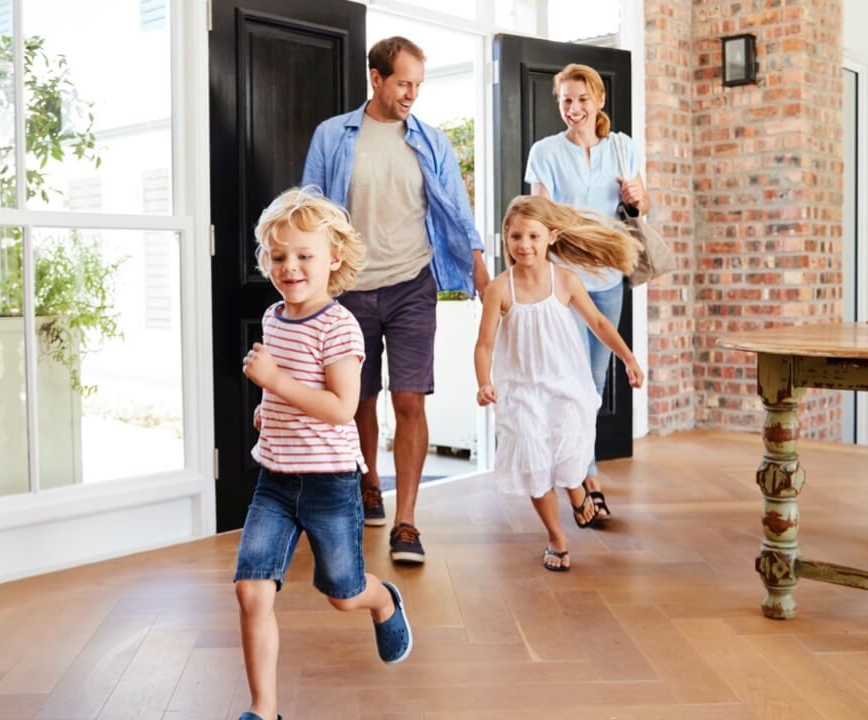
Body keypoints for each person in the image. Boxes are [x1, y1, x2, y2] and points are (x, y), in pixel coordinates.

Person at [302, 36, 488, 564]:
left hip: (411, 283)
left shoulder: (431, 141)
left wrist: (479, 269)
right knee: (358, 400)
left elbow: (456, 208)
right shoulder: (333, 136)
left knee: (409, 399)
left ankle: (406, 522)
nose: (411, 94)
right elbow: (310, 209)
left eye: (418, 85)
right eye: (403, 83)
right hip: (349, 290)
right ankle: (368, 483)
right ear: (376, 77)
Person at [235, 187, 413, 720]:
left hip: (330, 483)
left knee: (342, 593)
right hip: (275, 479)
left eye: (303, 255)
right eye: (278, 255)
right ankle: (263, 711)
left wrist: (274, 382)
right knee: (250, 590)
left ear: (333, 258)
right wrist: (268, 408)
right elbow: (287, 390)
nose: (289, 267)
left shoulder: (339, 326)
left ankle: (382, 601)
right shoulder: (273, 317)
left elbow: (340, 407)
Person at [474, 195, 644, 571]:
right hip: (520, 391)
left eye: (533, 236)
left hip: (565, 384)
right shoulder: (500, 290)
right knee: (535, 467)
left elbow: (599, 323)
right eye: (516, 236)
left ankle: (578, 489)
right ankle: (557, 538)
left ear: (551, 237)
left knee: (569, 449)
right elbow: (484, 344)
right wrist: (484, 382)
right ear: (506, 237)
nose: (524, 245)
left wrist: (628, 357)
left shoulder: (564, 280)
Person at [524, 62, 650, 522]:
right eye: (565, 101)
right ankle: (586, 476)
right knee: (569, 382)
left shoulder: (623, 147)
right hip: (565, 281)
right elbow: (539, 215)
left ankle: (578, 469)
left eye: (581, 100)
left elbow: (642, 205)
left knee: (593, 385)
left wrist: (637, 195)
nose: (573, 109)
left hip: (610, 279)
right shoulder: (545, 151)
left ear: (598, 100)